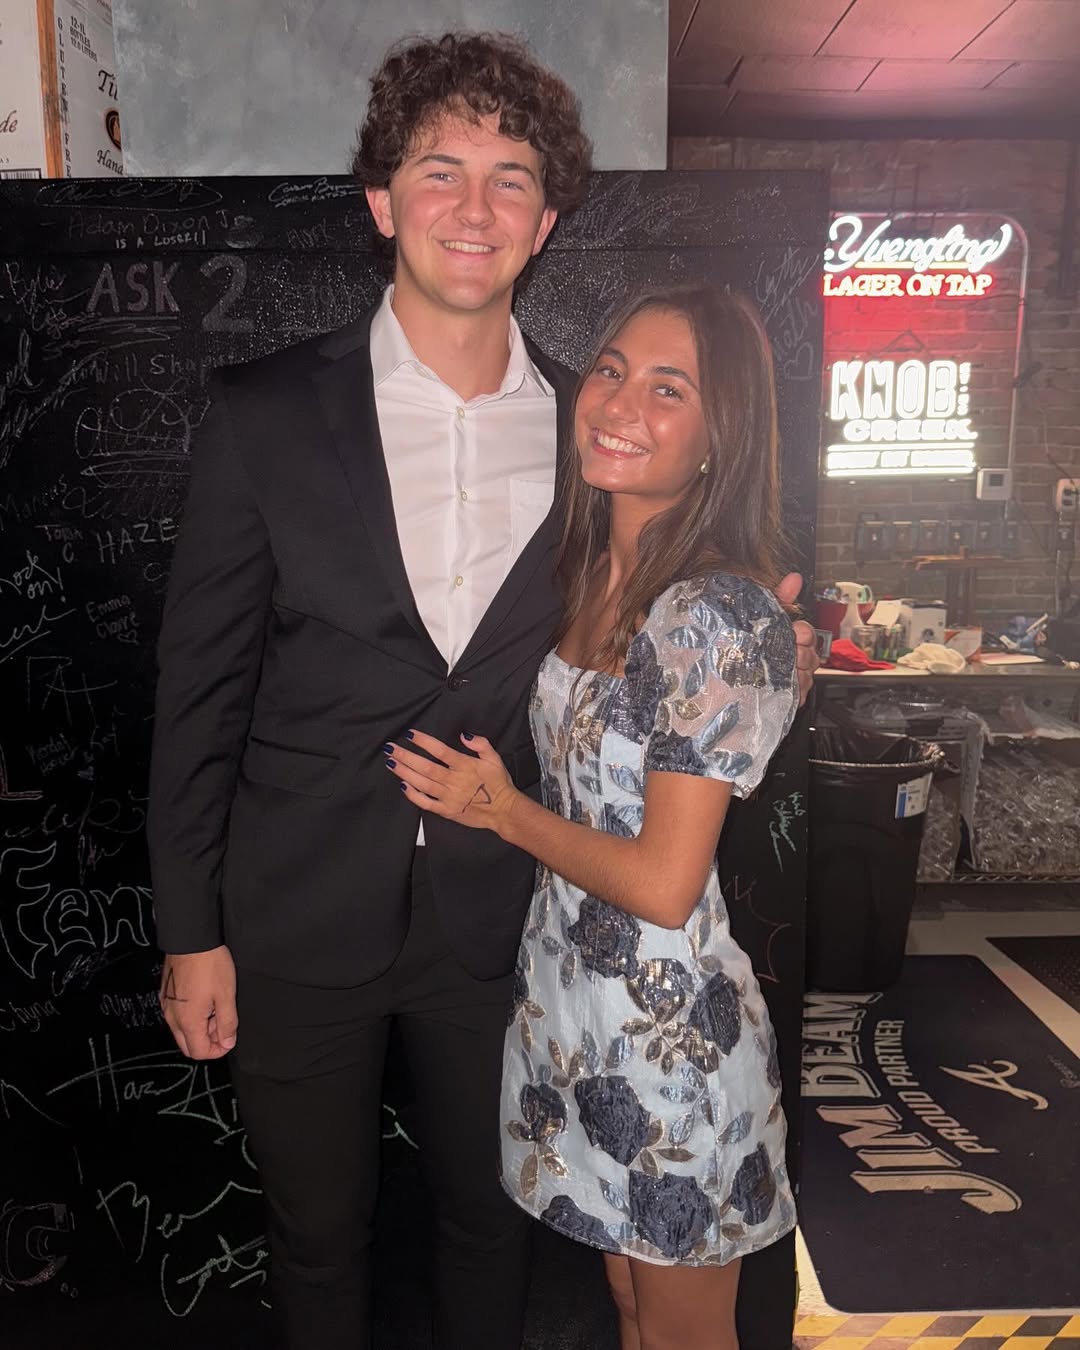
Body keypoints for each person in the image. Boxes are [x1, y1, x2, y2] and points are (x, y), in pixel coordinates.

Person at [147, 31, 818, 1350]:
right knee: (315, 1232)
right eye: (438, 171)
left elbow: (682, 598)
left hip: (503, 929)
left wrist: (769, 637)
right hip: (291, 915)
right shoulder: (264, 415)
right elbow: (198, 695)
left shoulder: (593, 433)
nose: (473, 204)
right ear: (382, 201)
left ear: (545, 222)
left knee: (489, 1224)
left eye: (510, 178)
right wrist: (190, 930)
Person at [384, 287, 797, 1350]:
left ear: (721, 434)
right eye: (610, 370)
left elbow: (664, 883)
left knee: (683, 1330)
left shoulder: (711, 612)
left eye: (669, 389)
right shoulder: (591, 575)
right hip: (574, 1014)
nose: (618, 403)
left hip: (670, 1036)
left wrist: (502, 812)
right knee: (626, 1304)